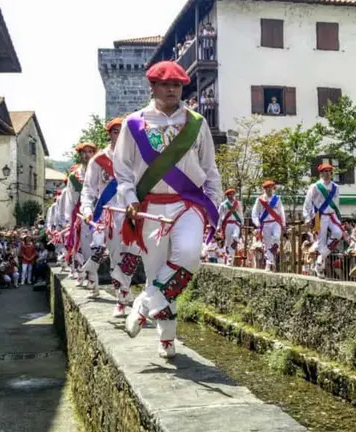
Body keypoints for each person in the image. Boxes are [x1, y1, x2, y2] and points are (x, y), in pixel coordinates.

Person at [114, 61, 222, 359]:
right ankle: (166, 338)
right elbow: (122, 169)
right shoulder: (133, 124)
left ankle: (143, 304)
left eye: (177, 84)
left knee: (189, 254)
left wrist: (214, 206)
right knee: (157, 271)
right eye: (165, 84)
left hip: (188, 203)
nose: (172, 89)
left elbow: (210, 168)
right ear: (153, 86)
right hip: (150, 207)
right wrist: (129, 198)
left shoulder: (197, 123)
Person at [81, 117, 142, 315]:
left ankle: (123, 290)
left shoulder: (138, 156)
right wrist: (87, 209)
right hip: (110, 215)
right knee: (116, 256)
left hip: (134, 212)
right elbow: (88, 189)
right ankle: (121, 297)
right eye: (116, 131)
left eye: (124, 131)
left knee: (134, 253)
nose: (121, 135)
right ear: (109, 135)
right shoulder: (98, 161)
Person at [63, 143, 97, 284]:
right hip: (81, 213)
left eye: (90, 151)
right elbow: (70, 199)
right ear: (80, 155)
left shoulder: (100, 170)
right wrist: (69, 221)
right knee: (83, 244)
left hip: (100, 209)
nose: (87, 155)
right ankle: (87, 276)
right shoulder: (74, 177)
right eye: (84, 152)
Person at [303, 163, 343, 278]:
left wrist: (338, 216)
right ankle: (320, 268)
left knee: (338, 233)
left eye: (329, 171)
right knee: (321, 241)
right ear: (321, 173)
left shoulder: (335, 187)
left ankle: (321, 257)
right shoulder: (315, 186)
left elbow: (336, 203)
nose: (328, 173)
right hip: (318, 215)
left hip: (331, 215)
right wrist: (307, 217)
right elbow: (308, 202)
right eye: (325, 171)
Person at [252, 180, 285, 272]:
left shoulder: (277, 199)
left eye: (271, 187)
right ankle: (269, 263)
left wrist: (283, 223)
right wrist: (258, 224)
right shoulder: (260, 200)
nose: (270, 189)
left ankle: (274, 248)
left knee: (276, 237)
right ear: (265, 189)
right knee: (267, 244)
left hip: (275, 222)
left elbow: (281, 211)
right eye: (268, 188)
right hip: (265, 223)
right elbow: (255, 213)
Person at [217, 188, 243, 266]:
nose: (231, 195)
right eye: (230, 194)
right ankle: (230, 259)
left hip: (236, 223)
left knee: (235, 237)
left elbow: (240, 213)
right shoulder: (223, 204)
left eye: (232, 194)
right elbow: (219, 216)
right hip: (227, 224)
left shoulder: (238, 203)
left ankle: (236, 241)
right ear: (227, 195)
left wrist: (242, 222)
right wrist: (218, 226)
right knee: (228, 243)